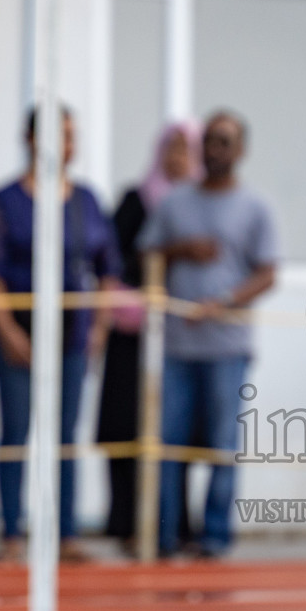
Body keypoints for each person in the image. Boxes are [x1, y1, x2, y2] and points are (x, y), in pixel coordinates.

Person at [0, 107, 121, 564]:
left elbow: (107, 271)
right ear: (32, 139)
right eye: (59, 135)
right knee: (15, 432)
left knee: (65, 435)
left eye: (71, 136)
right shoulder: (3, 201)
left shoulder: (86, 201)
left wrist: (98, 327)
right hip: (18, 331)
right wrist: (7, 331)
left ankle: (65, 534)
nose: (68, 145)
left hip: (71, 332)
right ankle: (11, 534)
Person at [140, 111, 278, 558]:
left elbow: (268, 272)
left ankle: (214, 540)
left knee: (222, 448)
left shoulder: (256, 207)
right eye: (210, 141)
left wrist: (227, 301)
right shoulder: (174, 203)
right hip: (177, 346)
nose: (215, 150)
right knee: (169, 445)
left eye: (224, 142)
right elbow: (146, 251)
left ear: (241, 151)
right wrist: (184, 249)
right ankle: (164, 537)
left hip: (227, 348)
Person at [95, 121, 201, 550]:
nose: (177, 157)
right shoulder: (134, 200)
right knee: (125, 423)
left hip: (180, 333)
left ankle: (173, 526)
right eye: (170, 147)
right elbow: (111, 259)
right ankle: (124, 522)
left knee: (176, 433)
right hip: (131, 331)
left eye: (184, 148)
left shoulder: (198, 204)